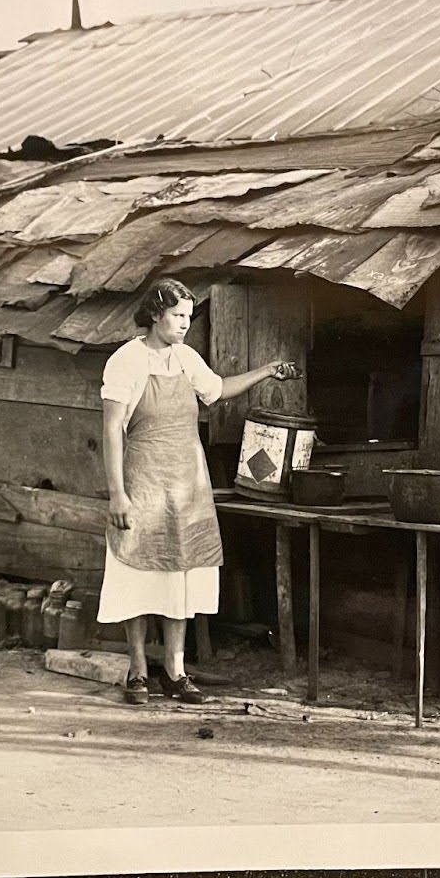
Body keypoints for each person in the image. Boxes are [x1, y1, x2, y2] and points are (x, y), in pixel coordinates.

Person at [98, 277, 297, 705]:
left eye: (189, 316)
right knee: (136, 573)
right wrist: (118, 493)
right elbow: (113, 429)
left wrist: (266, 370)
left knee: (179, 578)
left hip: (187, 483)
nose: (185, 324)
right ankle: (137, 671)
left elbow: (218, 390)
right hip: (144, 481)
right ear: (155, 314)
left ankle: (175, 671)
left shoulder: (187, 359)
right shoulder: (125, 361)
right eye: (177, 316)